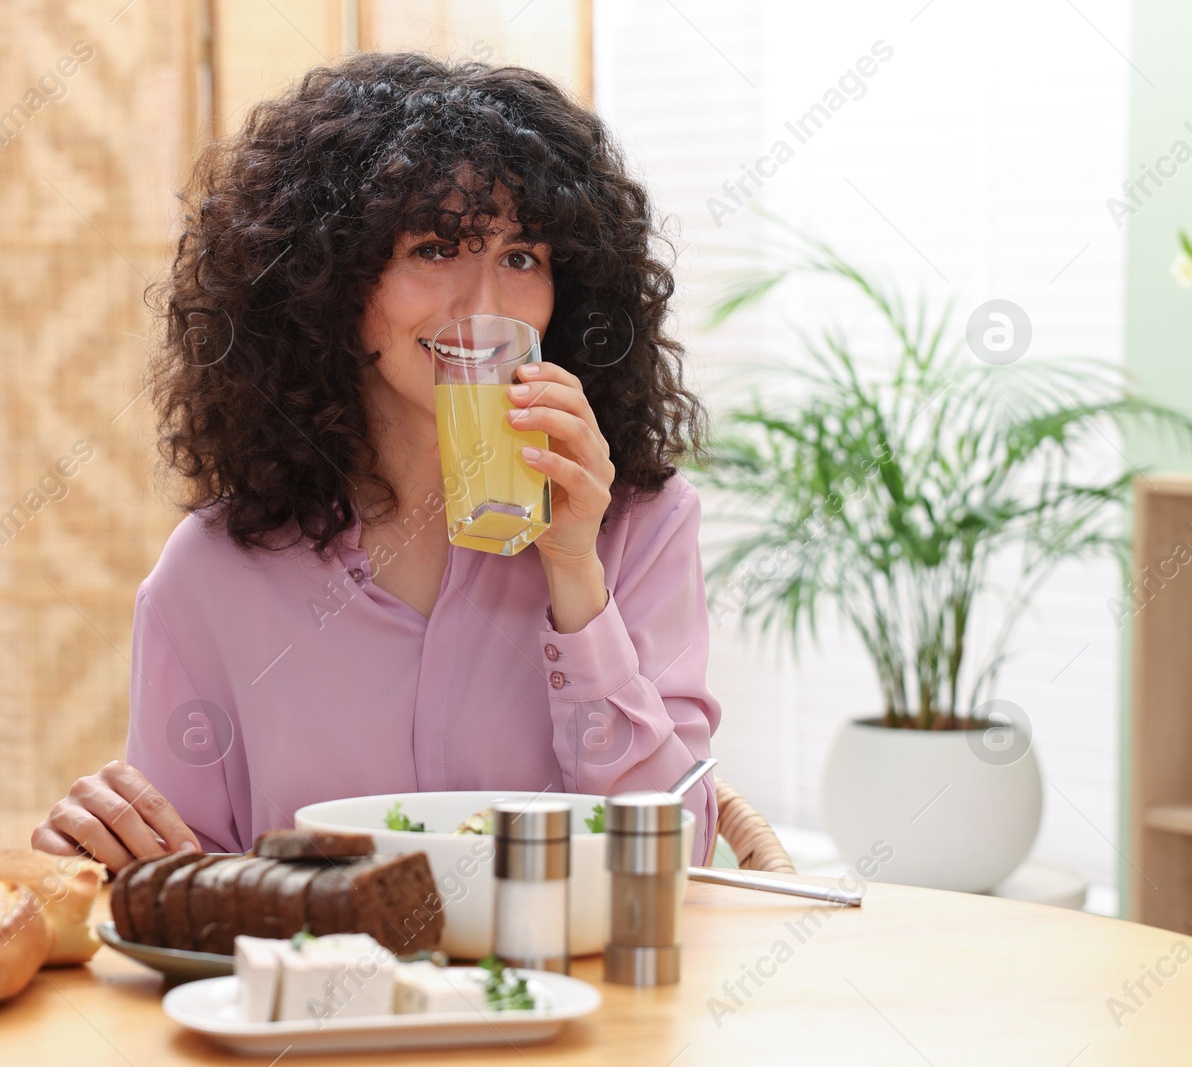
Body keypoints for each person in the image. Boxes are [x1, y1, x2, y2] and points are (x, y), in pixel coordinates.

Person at [32, 52, 721, 873]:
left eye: (522, 257)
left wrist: (576, 577)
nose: (483, 308)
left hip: (573, 1001)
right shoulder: (211, 575)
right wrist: (104, 847)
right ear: (331, 278)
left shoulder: (639, 524)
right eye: (435, 249)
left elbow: (671, 859)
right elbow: (183, 886)